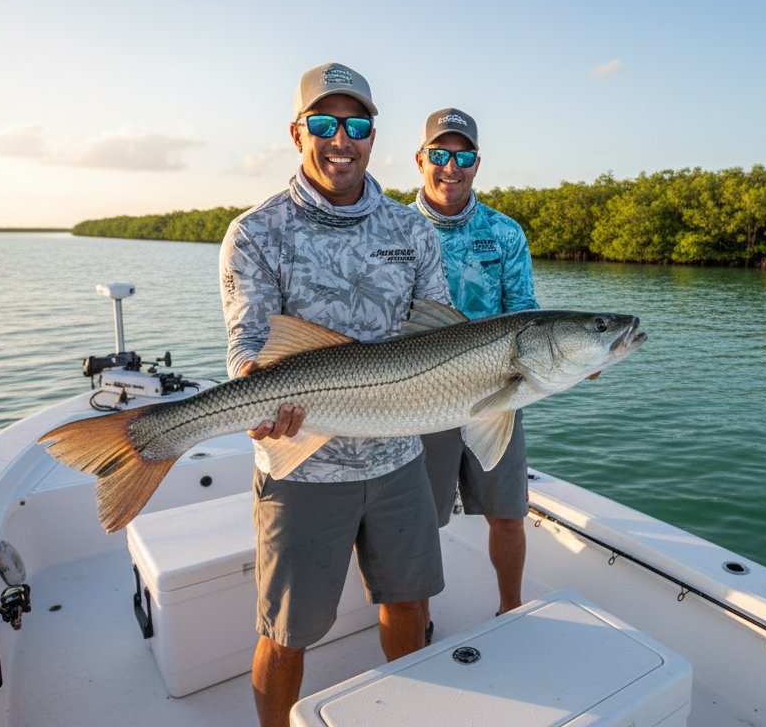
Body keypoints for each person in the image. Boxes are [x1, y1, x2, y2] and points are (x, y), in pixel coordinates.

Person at [219, 63, 452, 727]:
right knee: (287, 632)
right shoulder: (256, 232)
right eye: (324, 124)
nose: (340, 140)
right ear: (297, 133)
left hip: (396, 459)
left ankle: (408, 714)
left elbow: (441, 335)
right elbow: (249, 343)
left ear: (373, 135)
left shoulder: (412, 232)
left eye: (355, 125)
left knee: (408, 604)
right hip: (300, 463)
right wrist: (254, 394)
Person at [412, 108, 539, 633]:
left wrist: (577, 357)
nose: (451, 167)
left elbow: (527, 312)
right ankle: (413, 620)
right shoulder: (396, 228)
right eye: (440, 155)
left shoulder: (505, 233)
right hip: (422, 394)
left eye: (462, 156)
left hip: (499, 392)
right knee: (419, 521)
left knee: (507, 512)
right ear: (421, 160)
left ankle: (510, 607)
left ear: (477, 163)